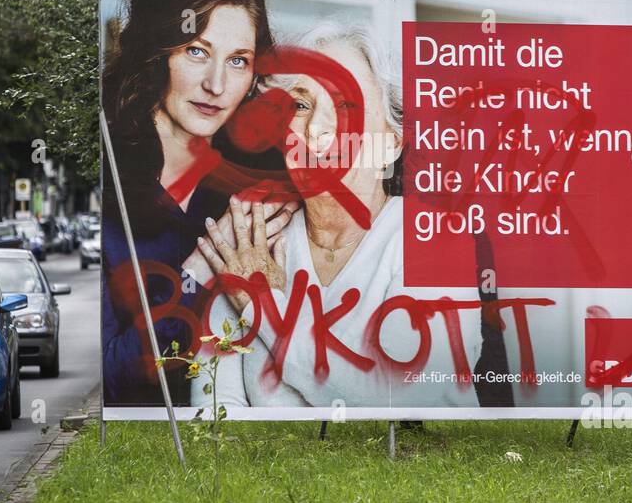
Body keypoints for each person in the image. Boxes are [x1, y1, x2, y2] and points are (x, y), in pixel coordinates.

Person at [194, 23, 482, 409]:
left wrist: (262, 305)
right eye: (301, 105)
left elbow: (397, 393)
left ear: (391, 143)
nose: (316, 129)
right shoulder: (253, 240)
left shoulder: (433, 238)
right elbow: (214, 412)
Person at [100, 0, 297, 406]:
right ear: (157, 53)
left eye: (238, 61)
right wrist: (201, 266)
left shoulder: (255, 187)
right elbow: (110, 378)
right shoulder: (106, 181)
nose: (216, 84)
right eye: (196, 51)